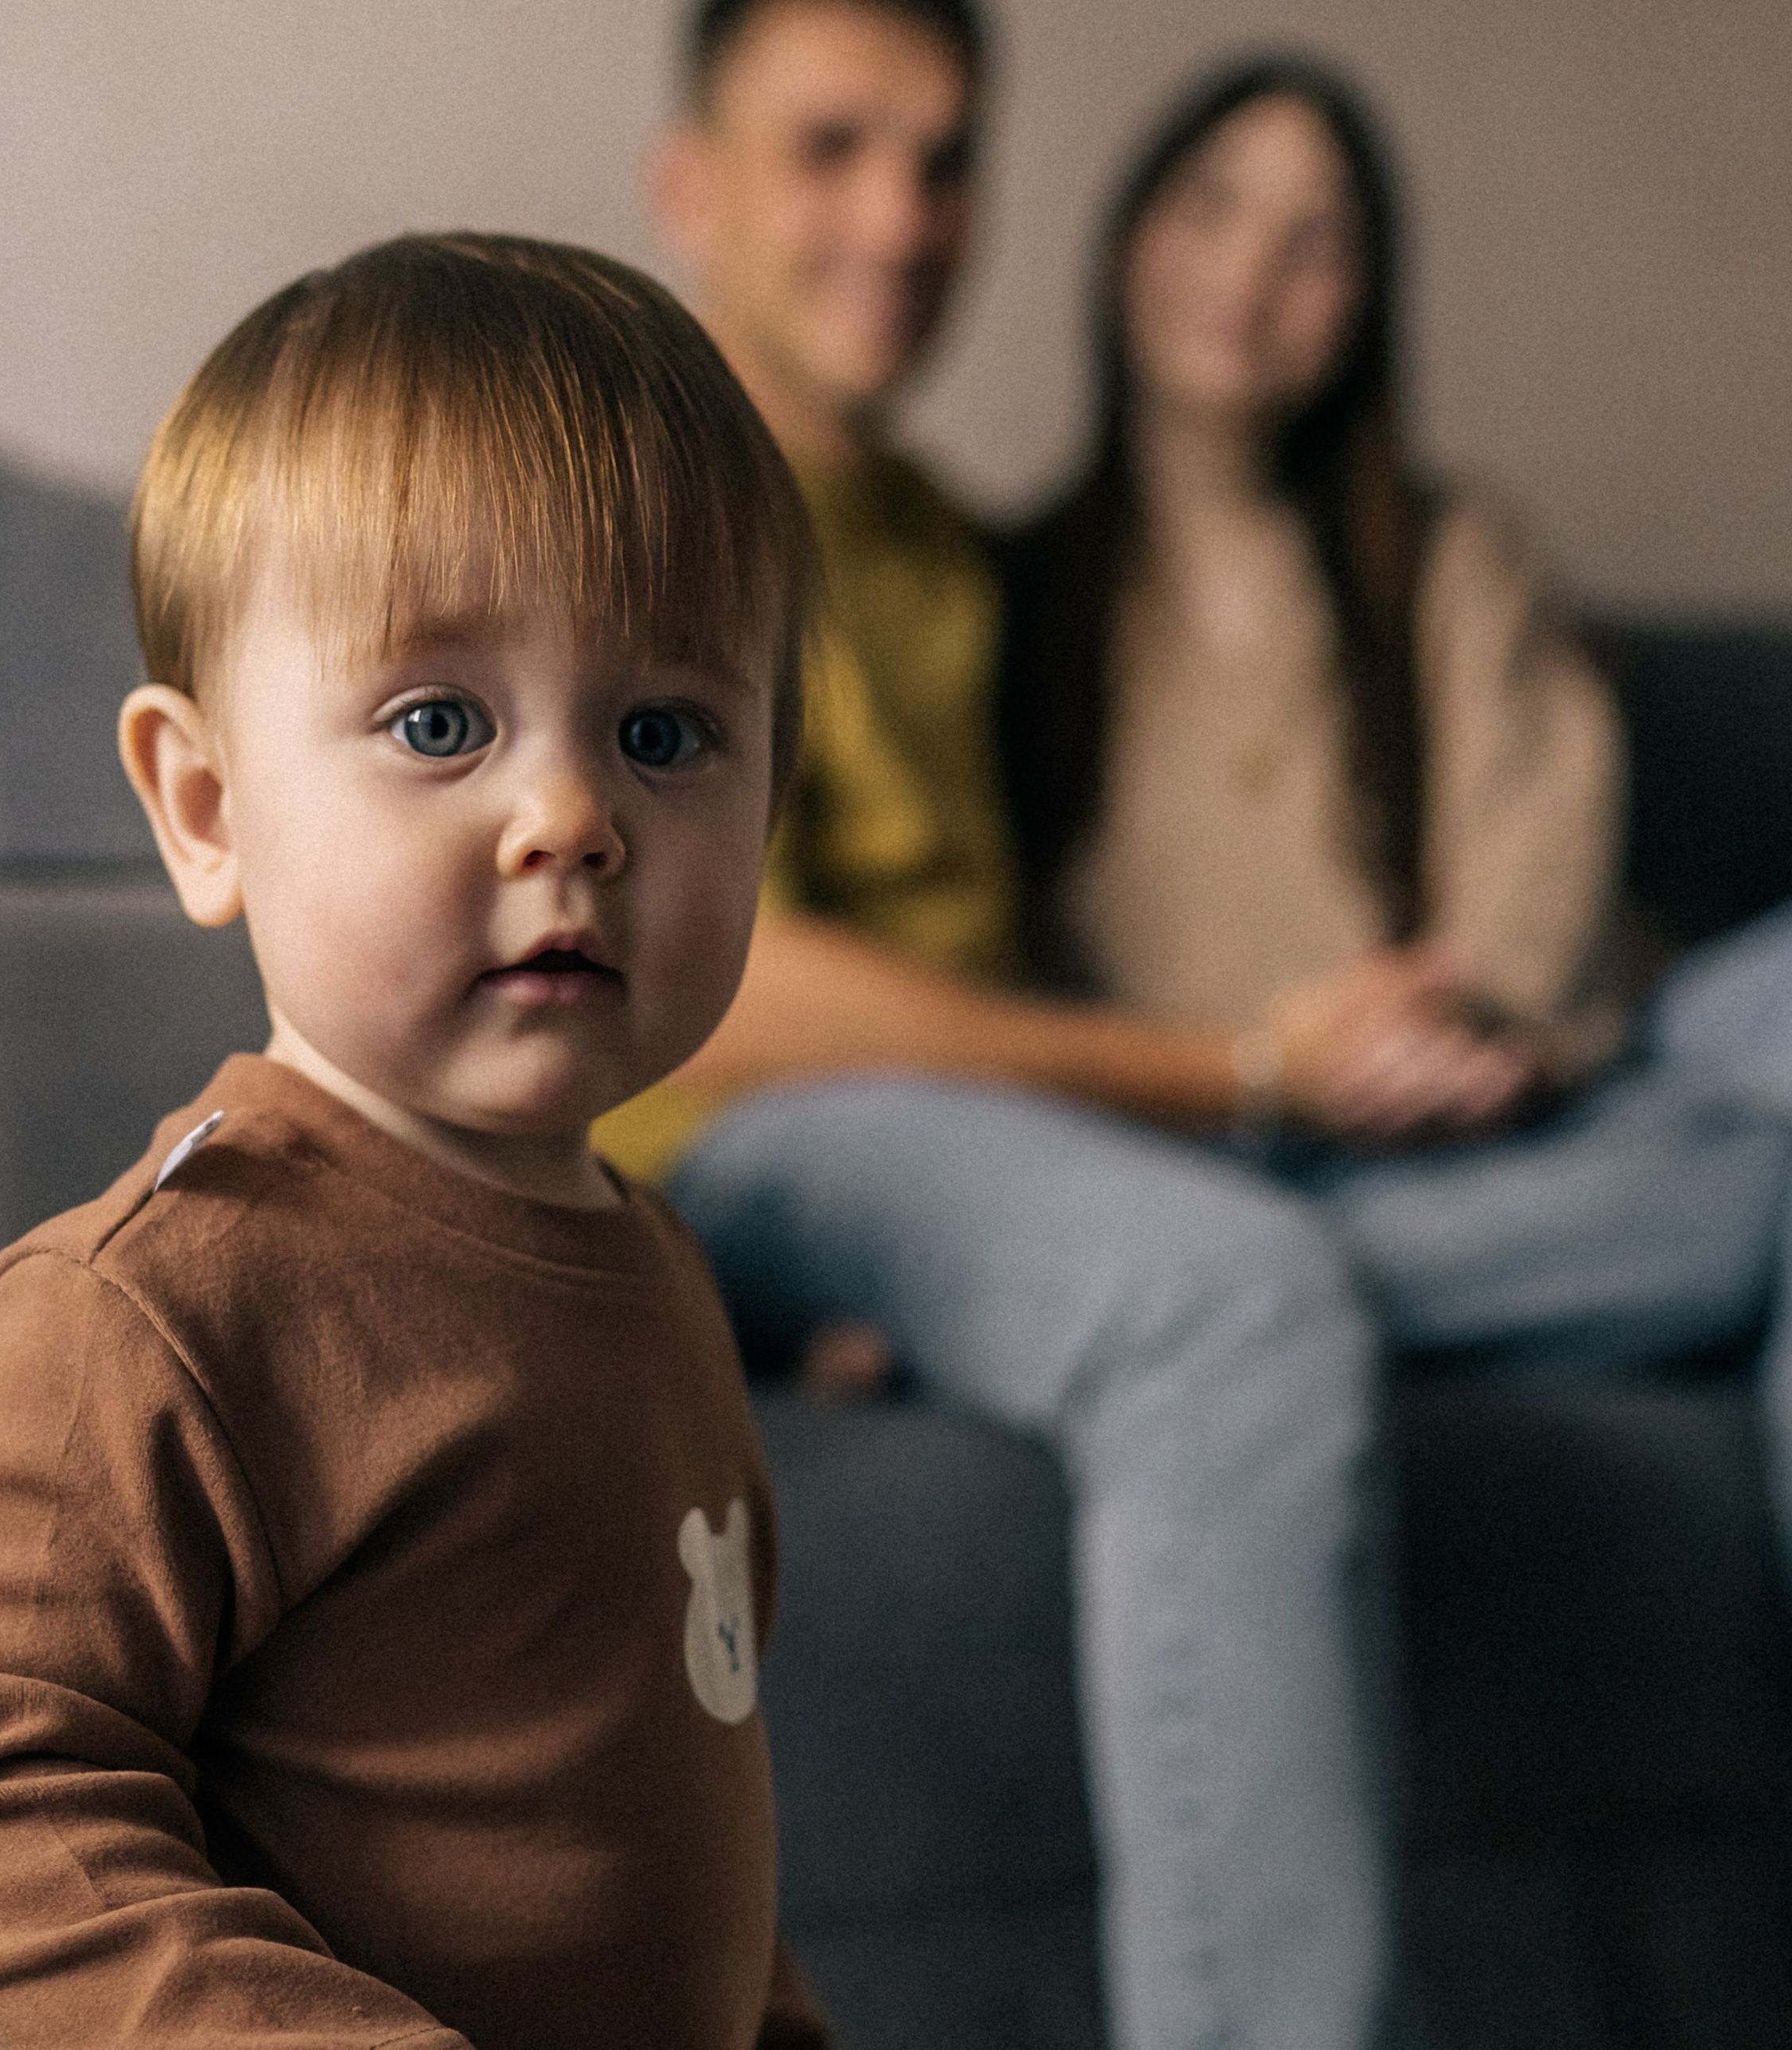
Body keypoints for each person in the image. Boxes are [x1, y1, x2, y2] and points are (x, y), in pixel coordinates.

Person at [0, 233, 832, 2050]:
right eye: (437, 721)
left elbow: (699, 1822)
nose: (571, 814)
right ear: (206, 809)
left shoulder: (654, 1264)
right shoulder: (167, 1296)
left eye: (663, 728)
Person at [610, 6, 1408, 2048]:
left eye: (943, 157)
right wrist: (1237, 1070)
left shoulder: (955, 552)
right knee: (1233, 1295)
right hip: (746, 1135)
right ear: (687, 182)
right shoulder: (633, 482)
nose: (899, 215)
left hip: (973, 1159)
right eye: (830, 148)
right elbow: (711, 963)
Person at [997, 55, 1792, 1392]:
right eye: (1211, 205)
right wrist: (1266, 1079)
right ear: (1131, 233)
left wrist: (1476, 1031)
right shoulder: (1011, 597)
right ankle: (1253, 1298)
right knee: (1748, 1199)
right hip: (1241, 1157)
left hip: (1536, 1097)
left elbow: (1537, 867)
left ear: (1364, 304)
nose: (1250, 268)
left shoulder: (1448, 555)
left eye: (1316, 240)